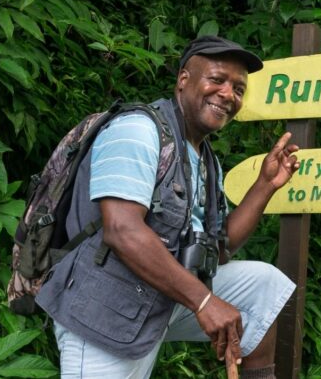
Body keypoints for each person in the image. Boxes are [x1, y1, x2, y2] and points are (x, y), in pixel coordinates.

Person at [35, 35, 299, 378]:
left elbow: (220, 251)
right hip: (105, 310)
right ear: (183, 80)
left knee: (263, 285)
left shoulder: (206, 160)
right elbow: (122, 230)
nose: (228, 94)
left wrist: (265, 185)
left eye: (238, 88)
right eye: (217, 80)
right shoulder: (137, 130)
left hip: (163, 296)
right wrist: (205, 302)